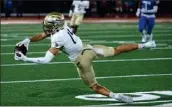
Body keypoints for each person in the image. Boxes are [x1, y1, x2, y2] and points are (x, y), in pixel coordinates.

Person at [14, 12, 156, 103]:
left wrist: (26, 59)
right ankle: (147, 44)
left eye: (48, 24)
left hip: (81, 61)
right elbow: (42, 34)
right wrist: (29, 39)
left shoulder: (57, 37)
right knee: (117, 49)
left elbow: (46, 60)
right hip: (89, 49)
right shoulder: (63, 27)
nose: (45, 26)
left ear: (55, 26)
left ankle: (116, 96)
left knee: (94, 86)